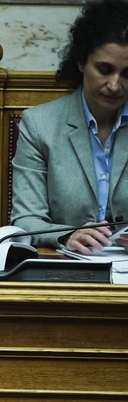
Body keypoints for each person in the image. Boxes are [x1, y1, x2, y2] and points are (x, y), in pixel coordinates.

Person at [12, 0, 128, 252]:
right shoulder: (39, 124)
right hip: (67, 263)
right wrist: (67, 236)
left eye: (127, 74)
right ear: (81, 62)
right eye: (104, 69)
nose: (115, 85)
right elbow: (26, 219)